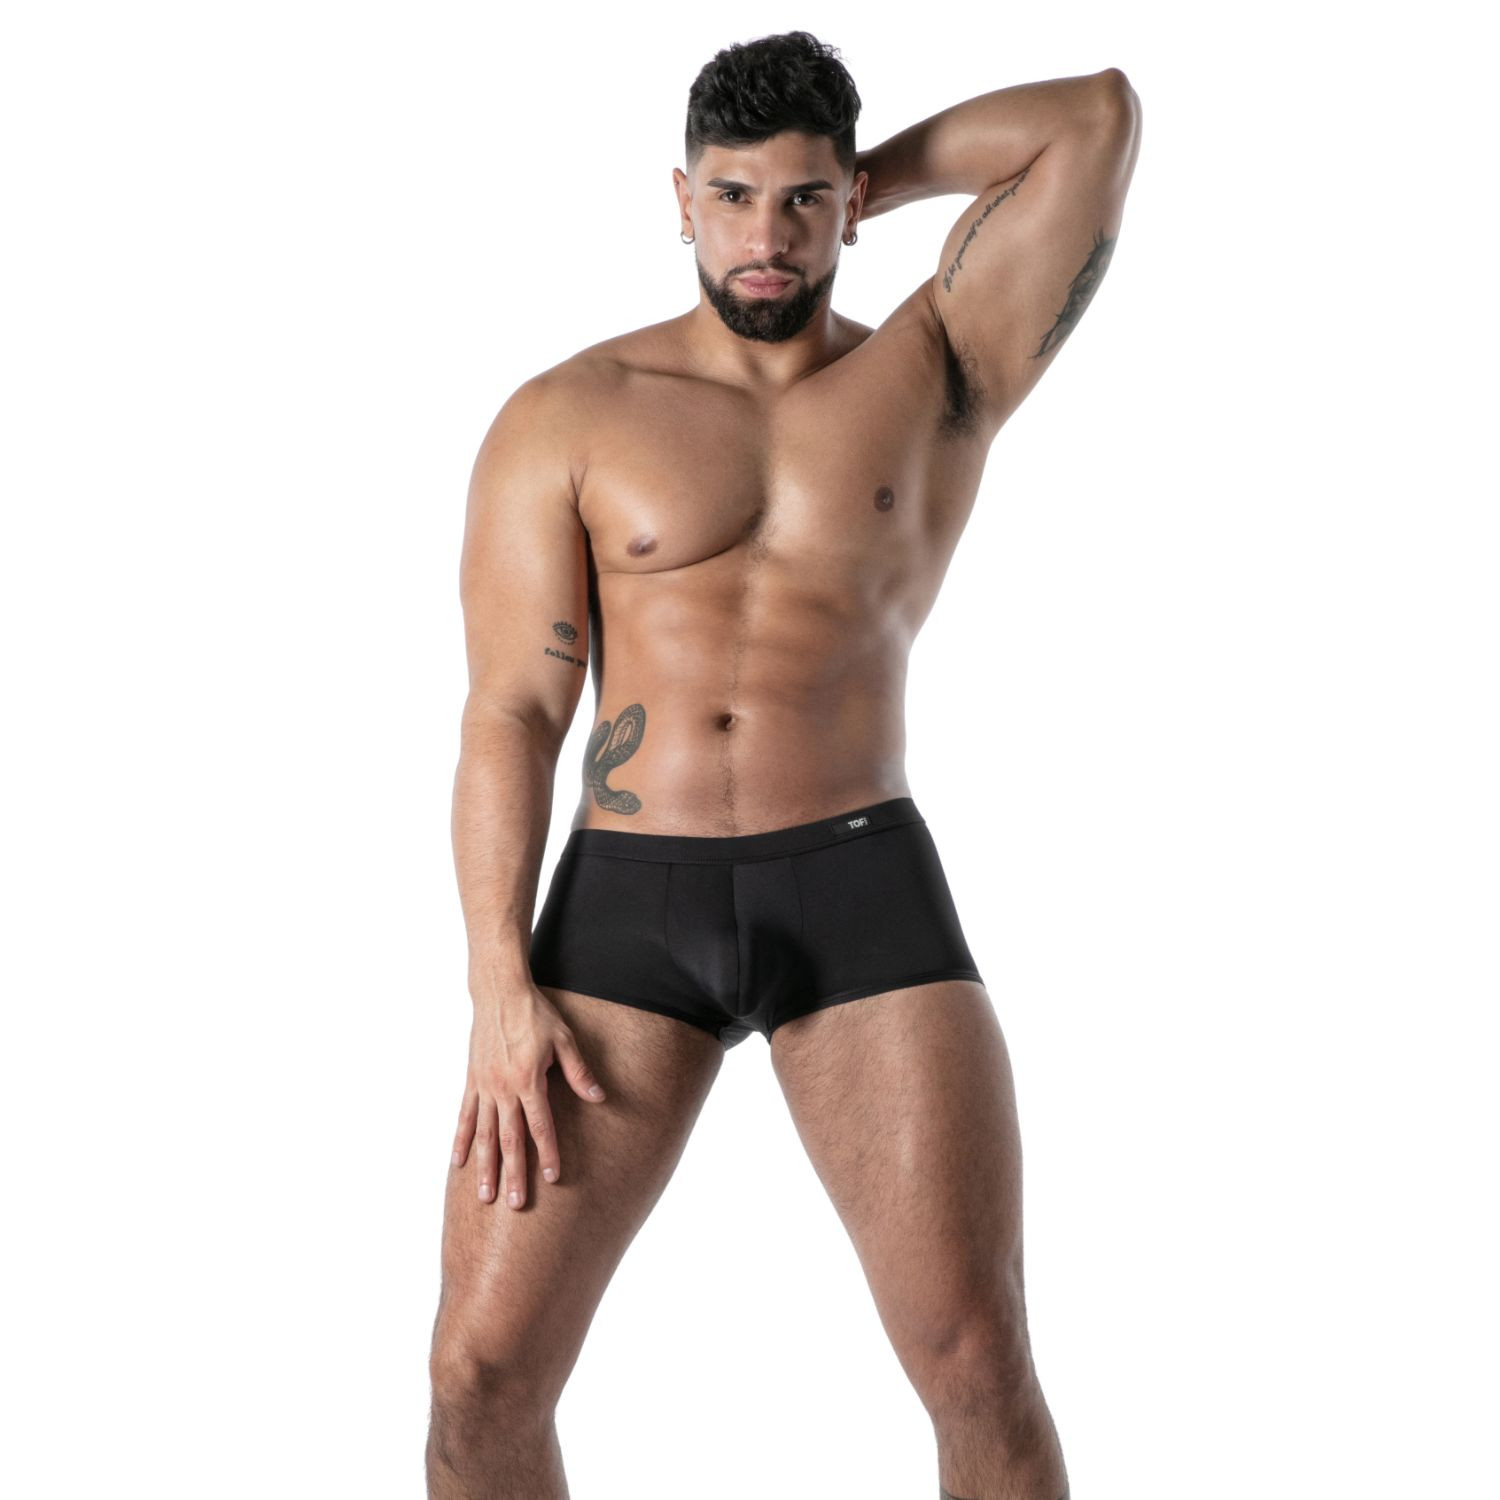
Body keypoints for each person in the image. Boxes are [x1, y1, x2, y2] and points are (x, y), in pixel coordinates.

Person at [427, 30, 1141, 1500]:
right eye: (735, 197)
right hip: (625, 907)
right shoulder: (569, 413)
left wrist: (878, 172)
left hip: (857, 886)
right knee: (481, 1379)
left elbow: (1094, 120)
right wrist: (499, 981)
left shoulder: (936, 367)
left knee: (978, 1361)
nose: (768, 236)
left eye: (805, 199)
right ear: (679, 200)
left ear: (850, 202)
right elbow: (512, 712)